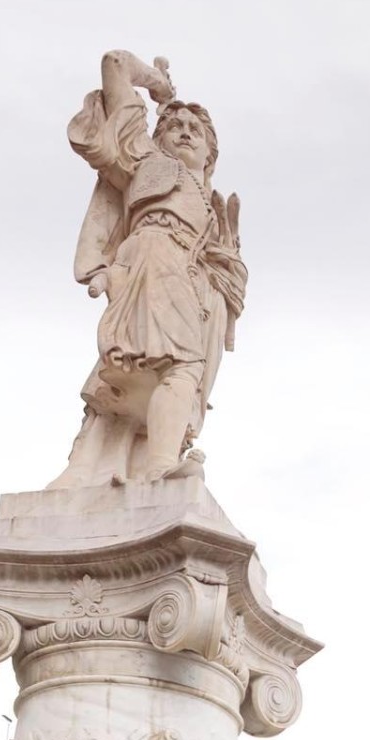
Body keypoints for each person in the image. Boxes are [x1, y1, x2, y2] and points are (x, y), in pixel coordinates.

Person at [53, 49, 247, 488]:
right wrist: (157, 85)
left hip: (188, 281)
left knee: (167, 370)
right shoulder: (143, 158)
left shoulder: (209, 207)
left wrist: (228, 259)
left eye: (196, 129)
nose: (185, 131)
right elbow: (115, 63)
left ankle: (144, 460)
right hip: (151, 258)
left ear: (210, 155)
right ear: (158, 139)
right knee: (180, 365)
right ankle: (159, 467)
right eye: (175, 126)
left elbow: (224, 274)